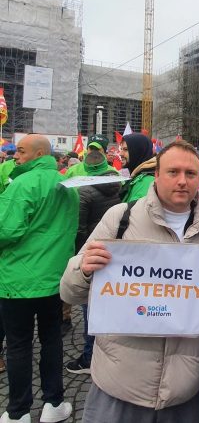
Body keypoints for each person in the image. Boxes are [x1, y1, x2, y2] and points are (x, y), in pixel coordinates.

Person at [60, 140, 199, 423]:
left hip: (182, 393)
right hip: (119, 387)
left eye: (190, 174)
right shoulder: (120, 218)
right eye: (173, 172)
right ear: (157, 175)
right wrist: (84, 269)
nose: (182, 181)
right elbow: (69, 290)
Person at [0, 134, 78, 423]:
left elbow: (5, 231)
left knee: (19, 344)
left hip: (18, 280)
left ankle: (18, 411)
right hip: (53, 279)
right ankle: (53, 404)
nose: (15, 156)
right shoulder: (67, 186)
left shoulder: (21, 184)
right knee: (52, 340)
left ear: (39, 153)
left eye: (20, 151)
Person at [66, 151, 121, 375]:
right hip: (112, 253)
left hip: (94, 251)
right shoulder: (117, 185)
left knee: (90, 307)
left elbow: (79, 228)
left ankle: (90, 355)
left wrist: (79, 252)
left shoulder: (85, 192)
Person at [119, 133, 157, 202]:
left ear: (138, 151)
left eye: (125, 149)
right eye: (121, 149)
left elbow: (133, 212)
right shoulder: (137, 176)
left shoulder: (146, 181)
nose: (120, 154)